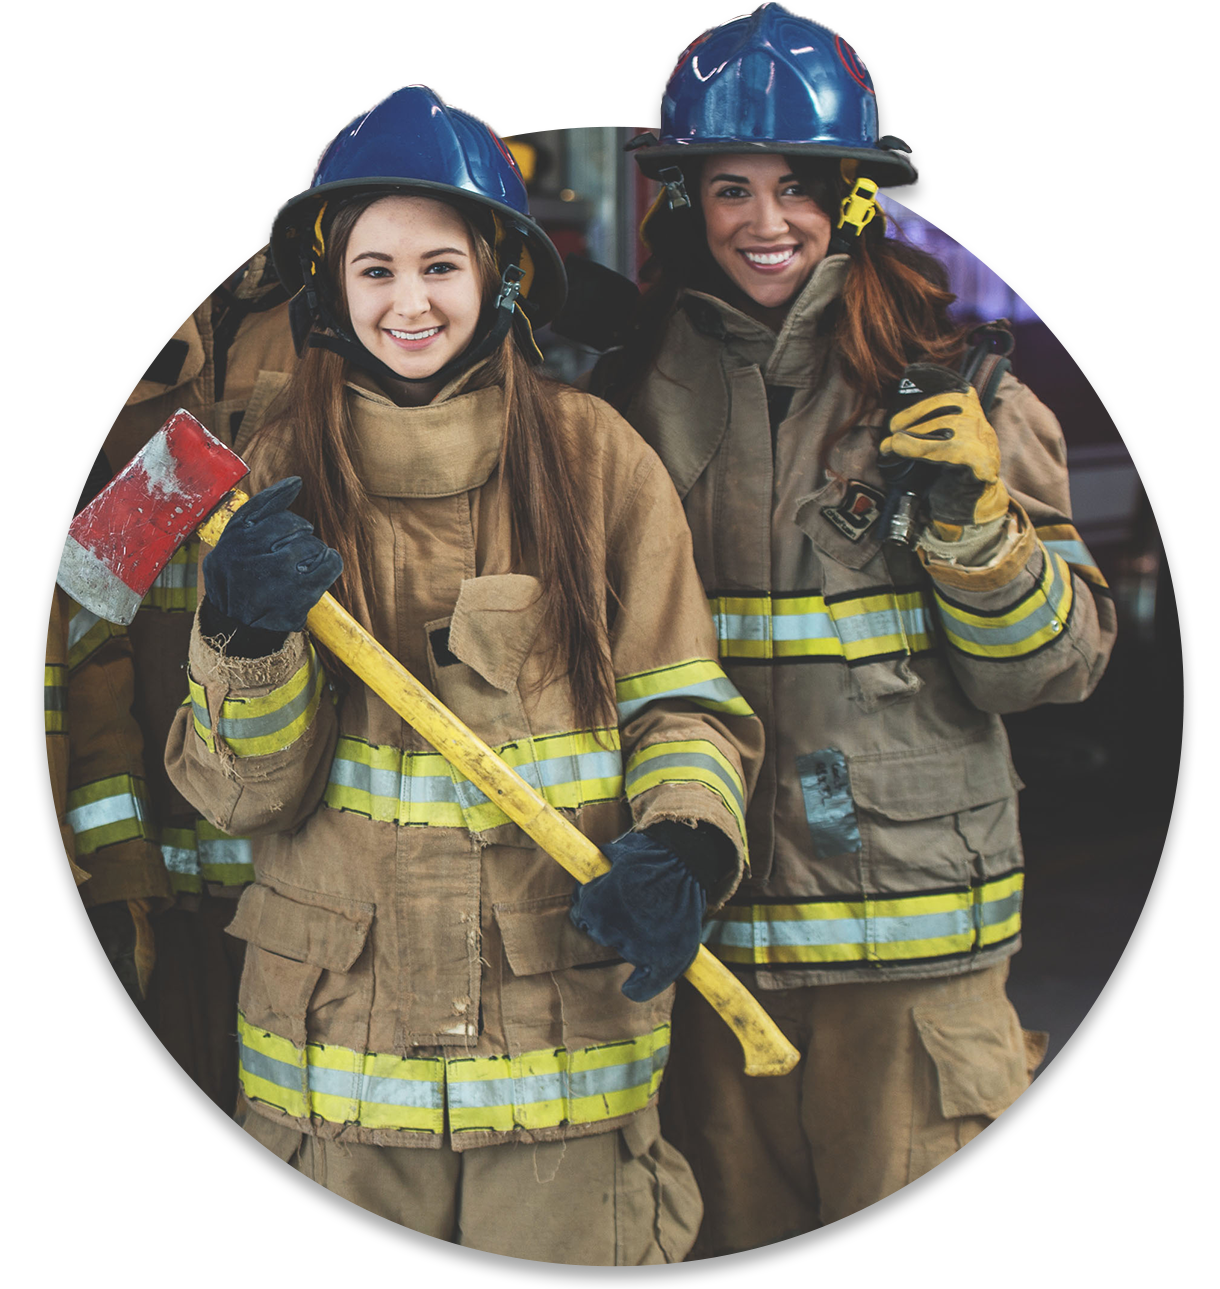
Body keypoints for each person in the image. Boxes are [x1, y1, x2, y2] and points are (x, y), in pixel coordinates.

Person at [163, 84, 764, 1264]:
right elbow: (242, 796)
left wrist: (686, 839)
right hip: (335, 1082)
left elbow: (680, 703)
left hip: (560, 1073)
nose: (410, 302)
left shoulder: (596, 458)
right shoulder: (264, 479)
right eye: (375, 270)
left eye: (440, 266)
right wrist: (240, 640)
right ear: (330, 285)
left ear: (499, 274)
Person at [586, 4, 1118, 1255]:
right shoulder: (627, 392)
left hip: (911, 958)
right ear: (687, 202)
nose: (763, 222)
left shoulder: (955, 388)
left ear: (852, 198)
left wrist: (977, 532)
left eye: (796, 188)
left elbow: (1057, 668)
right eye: (730, 188)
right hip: (714, 944)